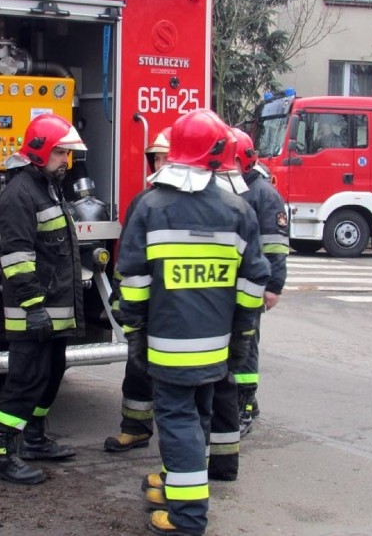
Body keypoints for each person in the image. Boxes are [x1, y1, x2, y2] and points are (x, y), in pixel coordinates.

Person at [116, 110, 270, 536]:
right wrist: (242, 334)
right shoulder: (237, 209)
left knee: (179, 421)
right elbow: (253, 281)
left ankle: (187, 518)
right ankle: (176, 486)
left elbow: (133, 281)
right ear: (218, 153)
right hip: (218, 344)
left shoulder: (150, 207)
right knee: (198, 417)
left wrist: (135, 333)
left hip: (167, 344)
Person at [0, 113, 86, 485]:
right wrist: (33, 308)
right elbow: (17, 257)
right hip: (33, 313)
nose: (67, 160)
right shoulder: (20, 192)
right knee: (25, 382)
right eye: (61, 152)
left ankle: (34, 439)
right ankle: (3, 457)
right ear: (40, 151)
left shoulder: (47, 185)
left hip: (54, 311)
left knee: (51, 375)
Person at [206, 128, 290, 482]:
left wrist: (273, 286)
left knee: (246, 346)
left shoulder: (263, 194)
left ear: (241, 159)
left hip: (253, 284)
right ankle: (242, 401)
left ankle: (245, 403)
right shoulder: (240, 189)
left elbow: (275, 246)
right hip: (234, 283)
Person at [103, 127, 171, 453]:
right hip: (147, 304)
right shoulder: (143, 201)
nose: (158, 164)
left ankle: (186, 452)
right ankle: (135, 428)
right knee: (138, 366)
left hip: (178, 306)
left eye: (164, 157)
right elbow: (127, 256)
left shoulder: (200, 203)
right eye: (155, 158)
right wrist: (120, 296)